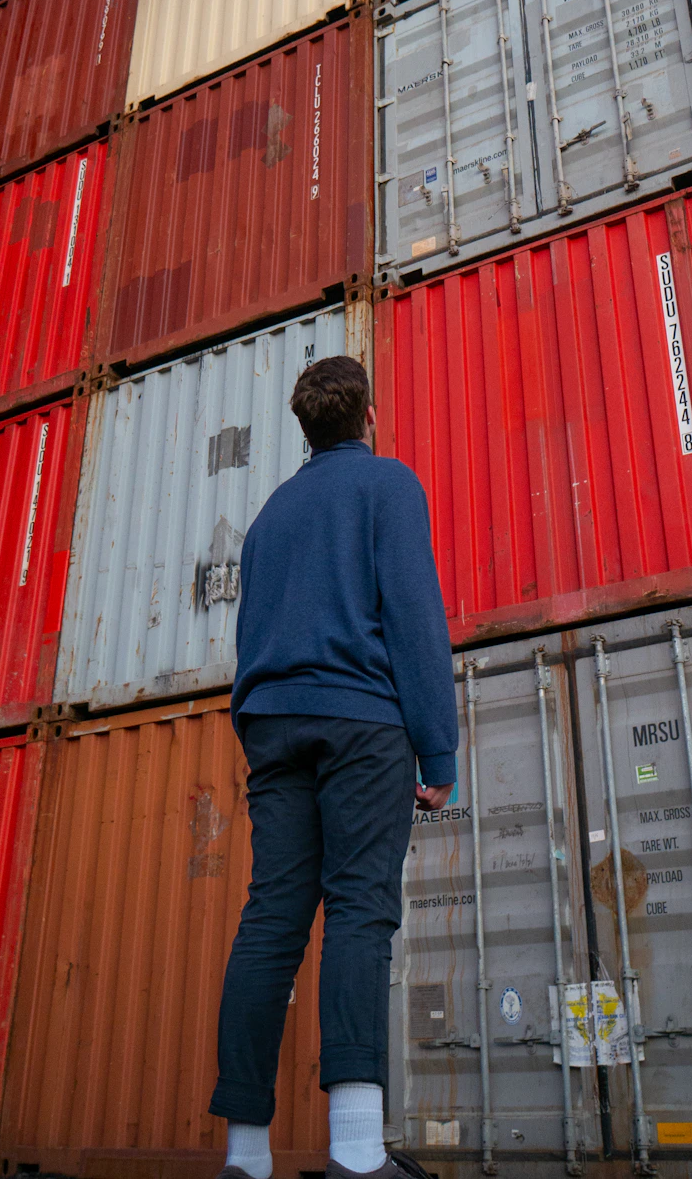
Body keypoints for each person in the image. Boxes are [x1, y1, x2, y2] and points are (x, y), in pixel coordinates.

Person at [209, 353, 458, 1179]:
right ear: (370, 418)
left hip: (274, 727)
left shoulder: (270, 516)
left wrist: (258, 727)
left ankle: (246, 1156)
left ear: (306, 429)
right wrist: (438, 746)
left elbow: (247, 641)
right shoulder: (389, 486)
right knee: (359, 912)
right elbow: (415, 616)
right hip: (361, 724)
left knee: (271, 922)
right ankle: (355, 1151)